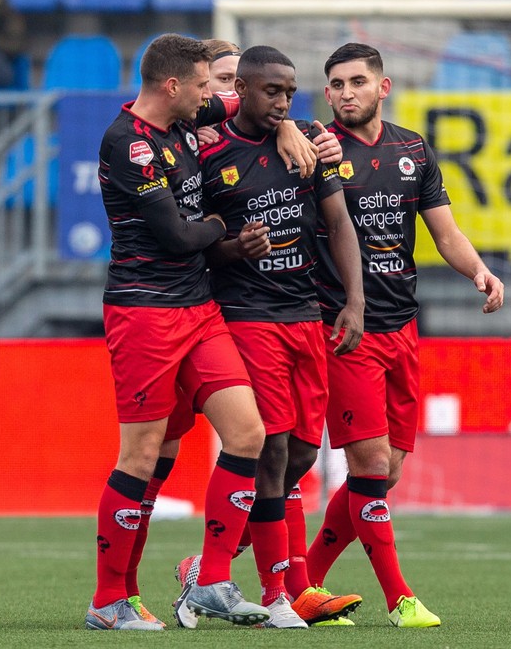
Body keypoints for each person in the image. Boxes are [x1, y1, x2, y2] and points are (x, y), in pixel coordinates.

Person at [88, 32, 330, 632]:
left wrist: (289, 126)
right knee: (142, 455)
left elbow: (258, 103)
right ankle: (108, 599)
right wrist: (226, 223)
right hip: (145, 312)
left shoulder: (186, 119)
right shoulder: (130, 144)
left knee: (248, 434)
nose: (213, 94)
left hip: (199, 310)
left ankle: (214, 579)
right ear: (173, 87)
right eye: (204, 84)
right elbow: (177, 235)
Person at [305, 42, 505, 628]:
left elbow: (444, 232)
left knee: (385, 472)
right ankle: (400, 599)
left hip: (402, 326)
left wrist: (478, 270)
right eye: (336, 84)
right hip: (344, 327)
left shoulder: (412, 149)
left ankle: (307, 580)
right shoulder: (316, 151)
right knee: (367, 466)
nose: (346, 93)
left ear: (382, 87)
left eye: (357, 82)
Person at [172, 44, 365, 630]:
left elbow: (337, 223)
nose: (282, 101)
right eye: (270, 91)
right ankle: (277, 591)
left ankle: (204, 572)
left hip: (307, 313)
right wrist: (235, 247)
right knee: (271, 450)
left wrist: (353, 302)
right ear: (243, 91)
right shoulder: (210, 152)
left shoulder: (307, 142)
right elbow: (199, 240)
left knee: (303, 453)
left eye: (289, 91)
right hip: (248, 316)